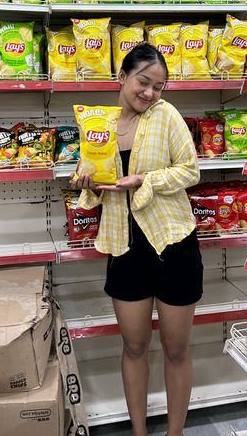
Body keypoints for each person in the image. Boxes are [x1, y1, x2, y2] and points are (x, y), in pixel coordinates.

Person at [71, 43, 203, 436]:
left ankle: (175, 433)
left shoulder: (166, 116)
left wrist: (145, 179)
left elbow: (190, 170)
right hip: (124, 248)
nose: (149, 93)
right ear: (122, 78)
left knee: (177, 350)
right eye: (143, 82)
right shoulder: (100, 122)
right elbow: (93, 182)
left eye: (158, 87)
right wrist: (85, 183)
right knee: (133, 347)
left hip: (173, 245)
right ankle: (139, 432)